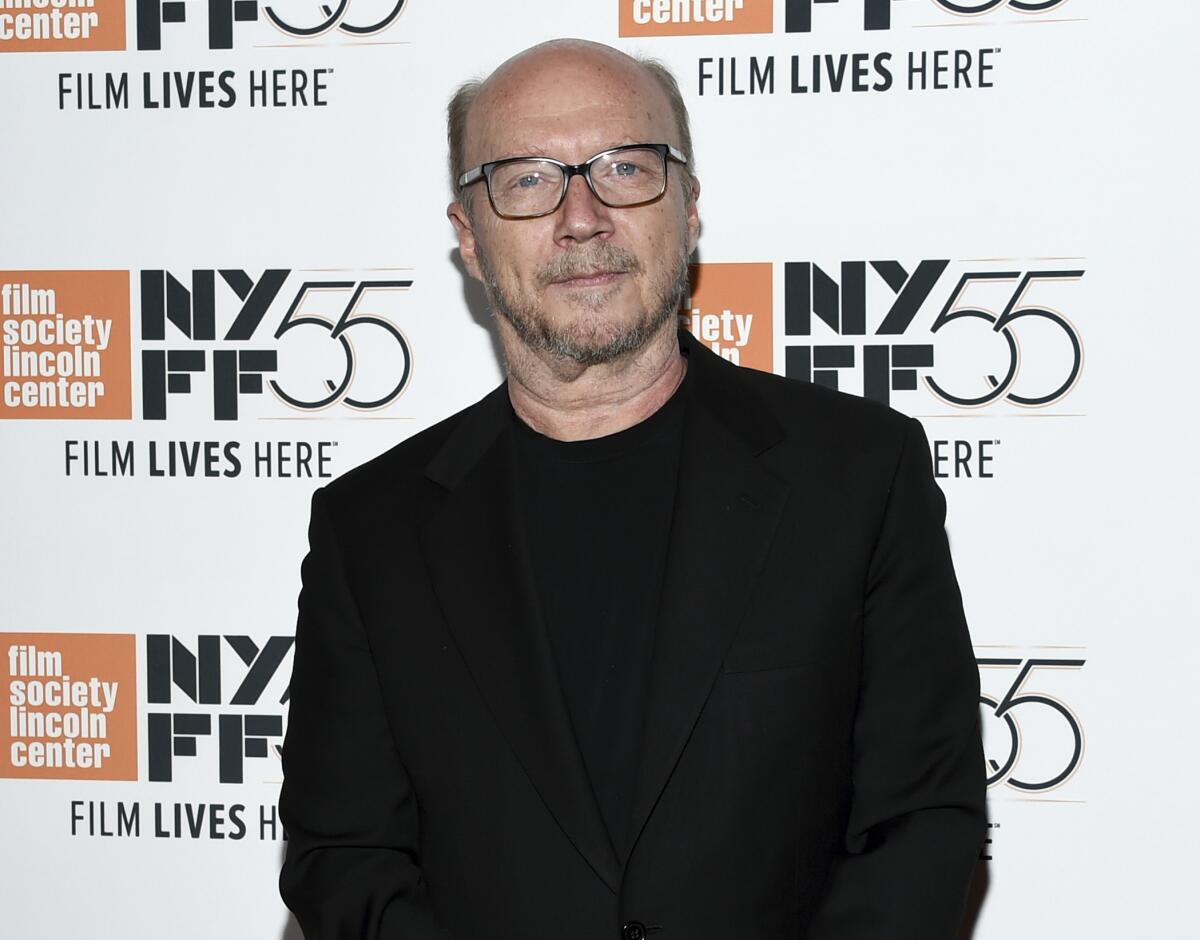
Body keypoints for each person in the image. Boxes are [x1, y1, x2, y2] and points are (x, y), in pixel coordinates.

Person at [278, 38, 985, 940]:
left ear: (687, 208)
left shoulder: (856, 475)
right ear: (468, 234)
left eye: (624, 167)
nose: (583, 217)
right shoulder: (369, 527)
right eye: (528, 178)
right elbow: (342, 855)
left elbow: (920, 825)